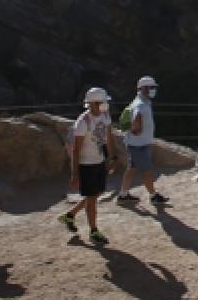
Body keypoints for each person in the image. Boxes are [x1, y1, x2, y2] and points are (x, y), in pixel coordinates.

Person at [59, 87, 118, 244]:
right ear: (92, 104)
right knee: (92, 198)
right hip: (87, 165)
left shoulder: (105, 116)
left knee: (96, 194)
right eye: (102, 102)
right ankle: (94, 231)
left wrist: (112, 157)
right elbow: (76, 150)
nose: (105, 105)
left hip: (99, 162)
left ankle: (70, 215)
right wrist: (75, 174)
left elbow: (109, 137)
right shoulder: (83, 122)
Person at [116, 76, 168, 205]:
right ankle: (153, 196)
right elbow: (137, 118)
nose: (153, 90)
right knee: (147, 171)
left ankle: (123, 195)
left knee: (132, 169)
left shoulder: (141, 101)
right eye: (151, 88)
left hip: (135, 143)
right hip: (139, 145)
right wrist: (137, 128)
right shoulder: (141, 105)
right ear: (143, 89)